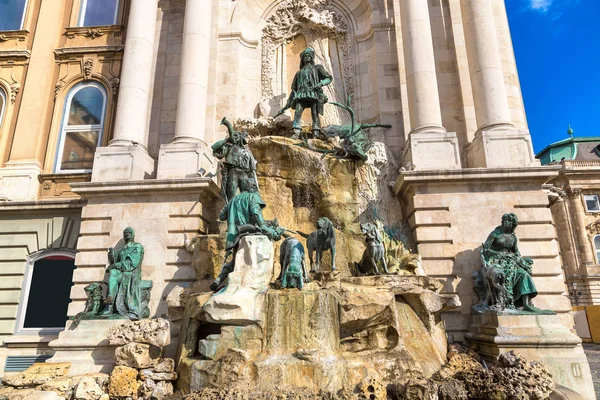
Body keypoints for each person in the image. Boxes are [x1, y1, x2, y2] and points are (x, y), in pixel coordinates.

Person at [210, 178, 283, 291]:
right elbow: (257, 216)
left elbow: (222, 217)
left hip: (234, 236)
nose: (256, 188)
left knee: (235, 260)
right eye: (254, 186)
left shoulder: (233, 200)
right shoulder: (252, 197)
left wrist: (228, 206)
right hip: (249, 232)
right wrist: (271, 231)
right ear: (249, 187)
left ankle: (220, 278)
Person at [481, 213, 540, 312]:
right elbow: (485, 249)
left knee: (524, 275)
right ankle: (501, 301)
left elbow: (516, 251)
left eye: (509, 221)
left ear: (513, 224)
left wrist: (520, 259)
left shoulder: (513, 237)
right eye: (505, 220)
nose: (506, 222)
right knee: (501, 275)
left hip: (511, 261)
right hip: (497, 261)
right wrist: (496, 253)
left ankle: (525, 304)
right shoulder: (495, 234)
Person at [275, 47, 333, 145]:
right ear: (302, 59)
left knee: (315, 113)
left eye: (308, 56)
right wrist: (286, 106)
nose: (306, 57)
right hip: (301, 94)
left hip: (313, 93)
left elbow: (329, 78)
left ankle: (316, 132)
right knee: (298, 112)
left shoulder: (317, 68)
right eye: (304, 56)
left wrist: (320, 84)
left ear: (311, 58)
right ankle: (296, 131)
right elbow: (294, 90)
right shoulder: (299, 73)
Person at [101, 227, 145, 319]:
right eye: (125, 232)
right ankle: (109, 303)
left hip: (131, 273)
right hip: (121, 273)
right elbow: (115, 263)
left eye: (129, 232)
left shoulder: (137, 247)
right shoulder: (121, 250)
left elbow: (132, 264)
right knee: (113, 272)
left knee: (114, 271)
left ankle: (113, 304)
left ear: (133, 234)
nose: (126, 234)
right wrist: (112, 255)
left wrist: (115, 265)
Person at [211, 117, 257, 203]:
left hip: (244, 174)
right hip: (233, 172)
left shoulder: (248, 152)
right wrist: (227, 140)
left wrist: (254, 184)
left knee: (246, 198)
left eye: (236, 135)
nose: (234, 136)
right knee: (231, 197)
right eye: (234, 135)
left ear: (241, 139)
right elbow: (214, 148)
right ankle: (231, 214)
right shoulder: (229, 148)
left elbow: (252, 171)